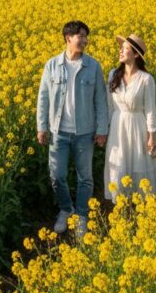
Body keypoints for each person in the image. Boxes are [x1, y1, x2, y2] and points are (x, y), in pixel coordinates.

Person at [37, 20, 108, 235]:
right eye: (81, 36)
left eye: (86, 36)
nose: (85, 40)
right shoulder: (51, 65)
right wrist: (41, 127)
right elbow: (43, 98)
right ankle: (66, 209)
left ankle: (82, 215)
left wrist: (102, 129)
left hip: (84, 132)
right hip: (58, 131)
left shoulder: (93, 66)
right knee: (56, 176)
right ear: (68, 38)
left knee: (85, 177)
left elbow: (101, 100)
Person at [104, 33, 156, 201]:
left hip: (138, 124)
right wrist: (106, 129)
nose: (121, 52)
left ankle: (141, 201)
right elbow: (109, 106)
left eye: (125, 49)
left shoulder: (146, 79)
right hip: (117, 124)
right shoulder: (113, 74)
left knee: (139, 159)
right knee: (119, 159)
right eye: (121, 48)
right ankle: (121, 200)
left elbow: (151, 110)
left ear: (136, 54)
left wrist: (152, 136)